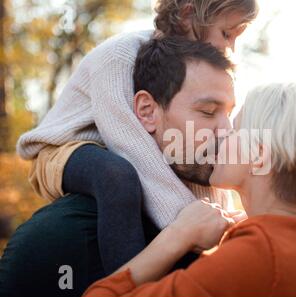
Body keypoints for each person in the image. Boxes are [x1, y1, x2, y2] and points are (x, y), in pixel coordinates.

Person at [15, 0, 258, 275]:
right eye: (227, 34)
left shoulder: (189, 72)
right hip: (64, 150)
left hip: (120, 142)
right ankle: (127, 285)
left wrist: (221, 220)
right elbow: (131, 147)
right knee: (116, 176)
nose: (230, 48)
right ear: (189, 16)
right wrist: (187, 227)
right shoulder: (119, 56)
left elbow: (194, 159)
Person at [82, 83, 296, 297]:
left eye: (234, 130)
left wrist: (178, 234)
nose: (220, 135)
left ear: (258, 156)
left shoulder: (255, 257)